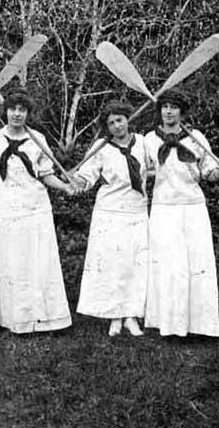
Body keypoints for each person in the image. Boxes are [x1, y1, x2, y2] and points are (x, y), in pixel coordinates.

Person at [143, 92, 219, 337]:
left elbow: (209, 172)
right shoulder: (149, 140)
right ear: (159, 111)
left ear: (182, 112)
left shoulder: (196, 137)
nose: (169, 112)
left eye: (174, 108)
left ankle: (200, 326)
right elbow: (142, 170)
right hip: (163, 208)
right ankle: (168, 324)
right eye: (165, 107)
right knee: (168, 265)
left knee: (196, 264)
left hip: (193, 208)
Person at [0, 88, 74, 333]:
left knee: (39, 262)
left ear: (27, 113)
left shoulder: (38, 139)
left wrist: (66, 187)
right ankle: (17, 320)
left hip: (36, 208)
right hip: (8, 209)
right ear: (5, 111)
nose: (17, 114)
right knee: (13, 262)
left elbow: (46, 174)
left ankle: (46, 319)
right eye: (13, 109)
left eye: (22, 110)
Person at [73, 101, 149, 337]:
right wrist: (75, 180)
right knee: (113, 265)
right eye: (111, 123)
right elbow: (87, 176)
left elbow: (159, 167)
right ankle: (115, 317)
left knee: (135, 265)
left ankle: (131, 316)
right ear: (107, 127)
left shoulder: (144, 142)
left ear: (128, 119)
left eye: (120, 120)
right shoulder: (101, 147)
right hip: (109, 213)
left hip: (137, 211)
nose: (117, 126)